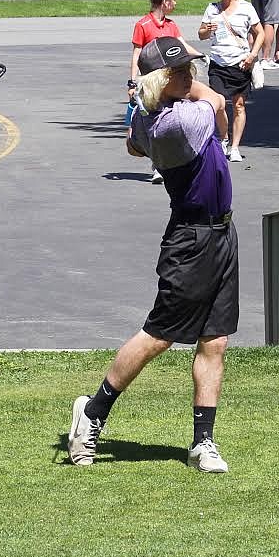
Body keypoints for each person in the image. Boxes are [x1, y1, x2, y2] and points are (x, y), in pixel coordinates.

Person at [67, 36, 238, 473]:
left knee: (214, 339)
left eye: (189, 69)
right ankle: (92, 413)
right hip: (192, 241)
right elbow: (219, 102)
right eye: (179, 72)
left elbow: (131, 144)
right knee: (159, 335)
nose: (190, 77)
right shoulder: (178, 123)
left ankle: (203, 442)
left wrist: (143, 100)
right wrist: (167, 93)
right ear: (159, 80)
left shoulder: (149, 119)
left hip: (220, 233)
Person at [128, 0, 190, 185]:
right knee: (153, 124)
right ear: (165, 2)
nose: (176, 3)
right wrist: (132, 81)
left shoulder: (171, 25)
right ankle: (157, 166)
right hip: (151, 82)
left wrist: (201, 56)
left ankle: (171, 164)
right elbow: (137, 54)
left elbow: (183, 45)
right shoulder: (143, 25)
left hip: (170, 82)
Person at [198, 0, 263, 163]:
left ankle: (234, 147)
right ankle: (224, 138)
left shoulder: (246, 8)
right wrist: (206, 30)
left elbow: (260, 33)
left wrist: (252, 55)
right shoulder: (212, 8)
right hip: (218, 62)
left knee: (239, 106)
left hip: (240, 62)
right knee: (218, 104)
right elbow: (201, 34)